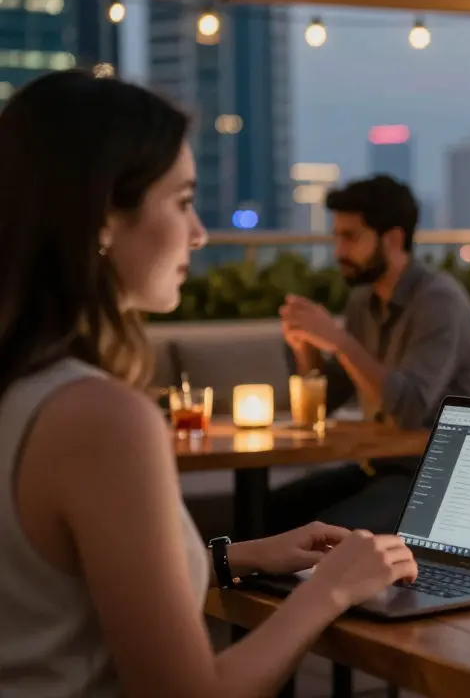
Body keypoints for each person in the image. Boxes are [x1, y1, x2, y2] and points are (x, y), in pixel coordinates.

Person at [0, 70, 416, 697]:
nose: (199, 233)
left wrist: (239, 557)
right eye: (183, 200)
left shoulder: (23, 387)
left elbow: (53, 593)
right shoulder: (98, 418)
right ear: (104, 217)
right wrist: (330, 591)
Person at [269, 175, 470, 534]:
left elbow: (409, 408)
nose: (339, 251)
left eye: (350, 237)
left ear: (393, 239)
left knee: (329, 535)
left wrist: (339, 340)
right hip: (382, 465)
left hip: (438, 476)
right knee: (269, 512)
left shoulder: (438, 301)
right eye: (337, 236)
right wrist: (306, 347)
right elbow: (327, 402)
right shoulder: (364, 301)